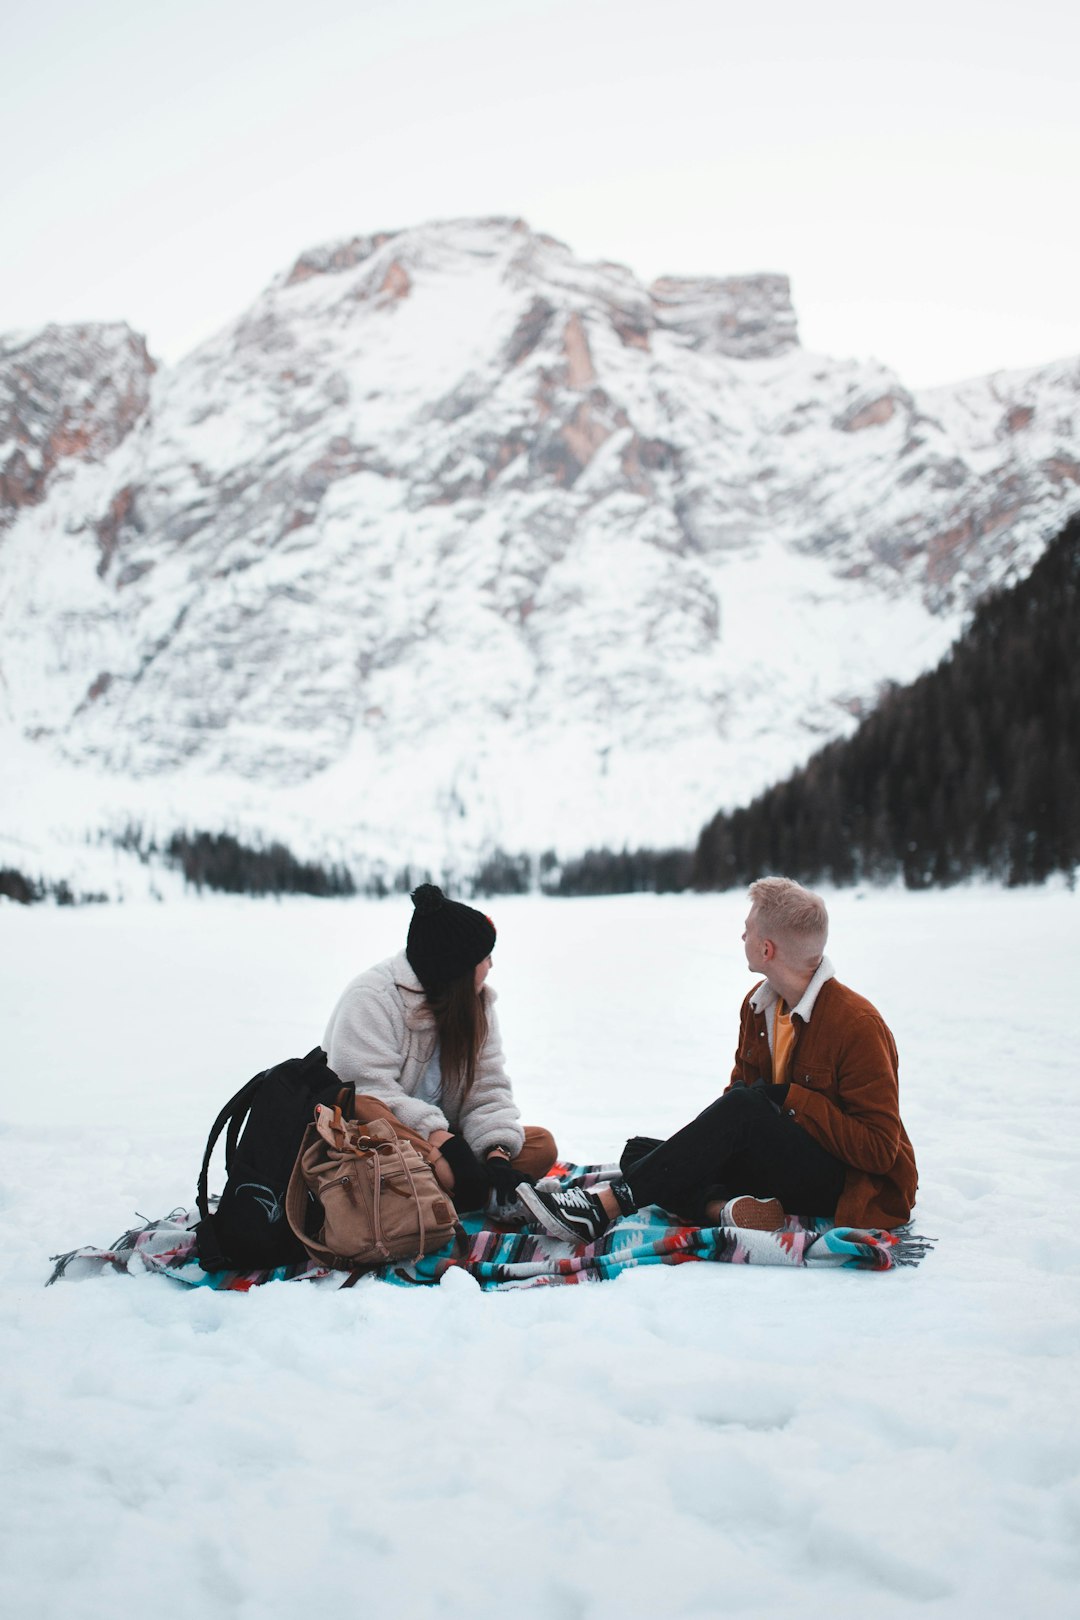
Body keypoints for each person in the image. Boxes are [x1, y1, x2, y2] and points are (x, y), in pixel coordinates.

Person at [518, 876, 917, 1242]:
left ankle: (605, 1207)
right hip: (775, 1164)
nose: (742, 933)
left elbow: (881, 1151)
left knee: (700, 1139)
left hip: (843, 1183)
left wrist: (790, 1099)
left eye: (749, 927)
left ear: (766, 948)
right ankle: (723, 1210)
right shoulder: (758, 1007)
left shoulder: (857, 1025)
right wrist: (699, 1148)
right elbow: (737, 1105)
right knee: (641, 1153)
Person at [323, 882, 556, 1215]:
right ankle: (456, 1189)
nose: (491, 964)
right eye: (484, 957)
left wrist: (497, 1155)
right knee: (373, 1111)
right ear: (456, 967)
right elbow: (364, 1097)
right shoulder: (372, 998)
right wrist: (437, 1141)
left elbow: (487, 1089)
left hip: (447, 1143)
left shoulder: (477, 1005)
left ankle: (462, 1191)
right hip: (377, 1144)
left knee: (541, 1145)